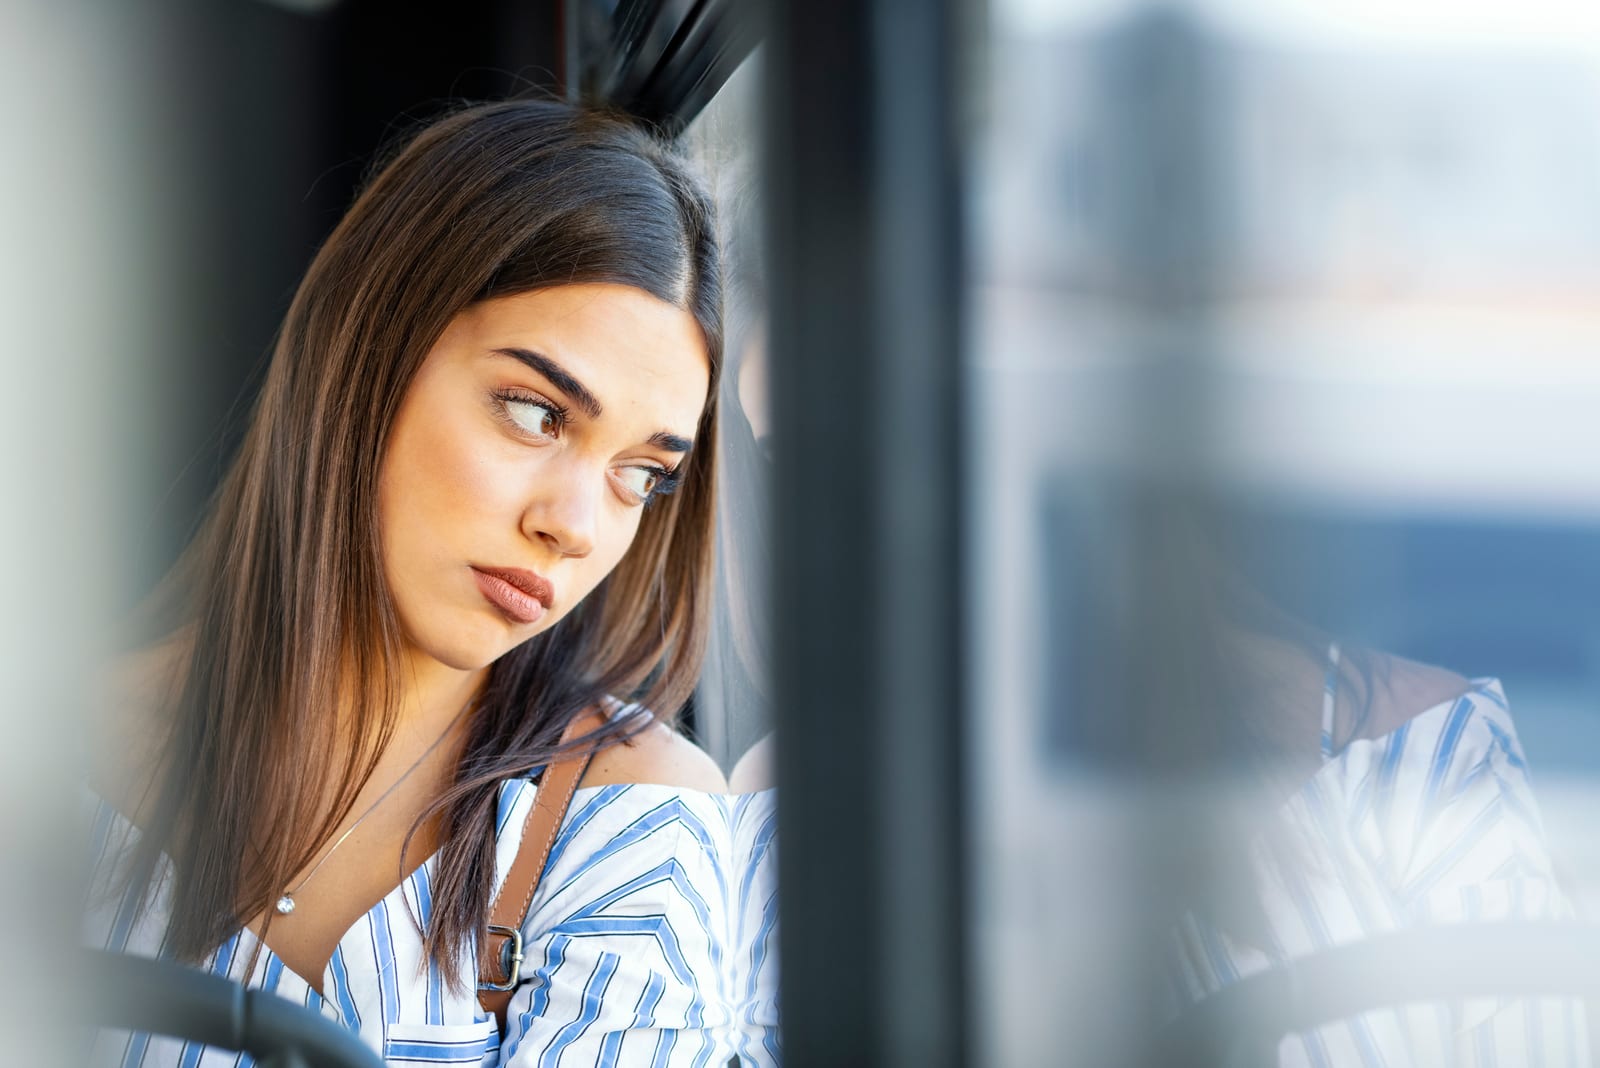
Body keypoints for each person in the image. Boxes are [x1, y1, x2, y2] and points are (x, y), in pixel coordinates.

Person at [83, 98, 776, 1065]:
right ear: (369, 350)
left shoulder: (629, 828)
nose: (573, 527)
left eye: (642, 476)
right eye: (535, 414)